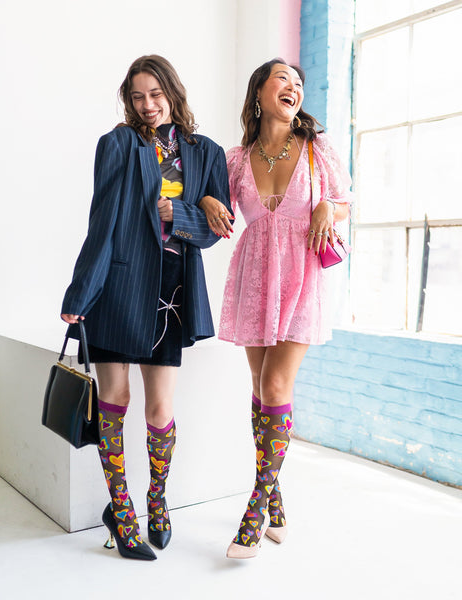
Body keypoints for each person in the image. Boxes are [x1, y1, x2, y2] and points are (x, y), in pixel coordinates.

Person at [60, 55, 231, 560]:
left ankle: (157, 501)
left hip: (171, 291)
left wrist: (180, 211)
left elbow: (216, 230)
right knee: (114, 402)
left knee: (160, 409)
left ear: (173, 92)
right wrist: (80, 293)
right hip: (119, 286)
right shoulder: (118, 144)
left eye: (155, 94)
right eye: (137, 97)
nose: (147, 105)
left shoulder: (206, 152)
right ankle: (122, 508)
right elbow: (102, 221)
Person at [200, 58, 352, 559]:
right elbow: (211, 199)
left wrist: (327, 206)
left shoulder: (317, 148)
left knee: (276, 384)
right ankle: (277, 501)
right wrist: (207, 203)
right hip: (254, 277)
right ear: (260, 93)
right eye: (283, 79)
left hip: (302, 276)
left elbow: (345, 201)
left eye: (299, 82)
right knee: (260, 387)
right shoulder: (236, 159)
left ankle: (255, 510)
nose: (294, 87)